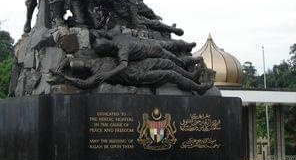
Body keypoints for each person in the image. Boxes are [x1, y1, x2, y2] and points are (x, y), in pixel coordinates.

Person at [55, 56, 212, 95]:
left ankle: (191, 76)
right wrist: (64, 77)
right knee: (169, 74)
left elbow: (70, 58)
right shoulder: (98, 75)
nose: (81, 63)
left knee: (166, 62)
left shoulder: (94, 60)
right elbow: (83, 84)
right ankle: (198, 88)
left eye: (79, 62)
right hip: (137, 75)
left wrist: (67, 61)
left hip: (137, 65)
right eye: (79, 65)